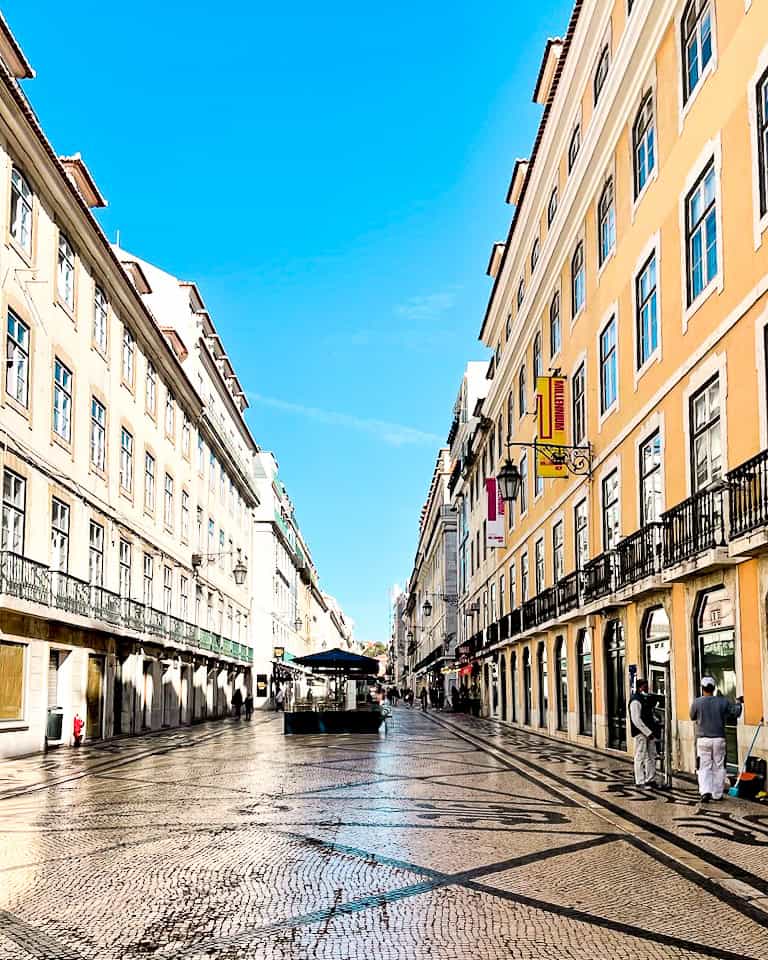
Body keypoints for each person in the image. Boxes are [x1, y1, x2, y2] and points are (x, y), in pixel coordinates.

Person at [690, 676, 743, 802]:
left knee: (703, 766)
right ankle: (717, 794)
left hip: (703, 739)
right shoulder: (723, 701)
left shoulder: (697, 702)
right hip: (719, 739)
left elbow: (692, 716)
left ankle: (705, 792)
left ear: (702, 688)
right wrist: (738, 702)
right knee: (719, 766)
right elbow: (736, 712)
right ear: (714, 688)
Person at [629, 679, 661, 789]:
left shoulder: (644, 699)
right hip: (640, 733)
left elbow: (648, 714)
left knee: (651, 755)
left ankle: (650, 779)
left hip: (649, 732)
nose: (647, 689)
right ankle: (640, 781)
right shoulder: (635, 701)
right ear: (640, 687)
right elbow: (636, 720)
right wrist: (647, 732)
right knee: (640, 756)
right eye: (645, 687)